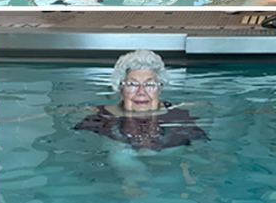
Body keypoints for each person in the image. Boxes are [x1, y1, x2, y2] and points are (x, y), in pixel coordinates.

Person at [74, 50, 209, 150]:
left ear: (159, 89)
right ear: (121, 89)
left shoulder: (178, 115)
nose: (141, 92)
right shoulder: (100, 117)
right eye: (132, 84)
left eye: (149, 85)